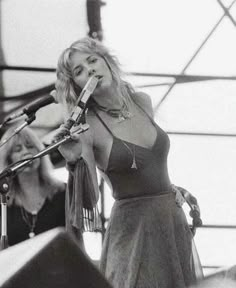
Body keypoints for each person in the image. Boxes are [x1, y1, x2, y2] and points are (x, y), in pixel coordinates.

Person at [55, 37, 203, 288]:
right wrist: (73, 162)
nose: (90, 69)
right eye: (79, 71)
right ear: (76, 85)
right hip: (132, 231)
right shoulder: (87, 127)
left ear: (107, 61)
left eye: (93, 60)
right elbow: (88, 203)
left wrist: (171, 188)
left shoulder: (142, 101)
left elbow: (149, 164)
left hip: (171, 221)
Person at [0, 126, 66, 246]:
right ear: (9, 160)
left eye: (31, 146)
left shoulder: (61, 191)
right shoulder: (3, 202)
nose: (26, 152)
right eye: (18, 149)